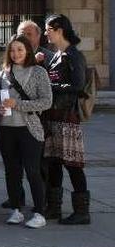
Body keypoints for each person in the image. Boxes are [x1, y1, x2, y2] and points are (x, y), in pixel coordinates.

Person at [0, 34, 52, 229]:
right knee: (12, 172)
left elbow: (46, 101)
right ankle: (16, 209)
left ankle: (39, 212)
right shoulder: (3, 73)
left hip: (29, 129)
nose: (15, 54)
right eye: (12, 50)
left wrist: (18, 104)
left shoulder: (38, 72)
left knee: (32, 170)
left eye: (20, 49)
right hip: (6, 129)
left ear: (28, 50)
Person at [42, 14, 91, 225]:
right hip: (52, 117)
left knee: (72, 164)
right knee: (53, 163)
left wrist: (50, 88)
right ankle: (54, 208)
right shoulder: (55, 55)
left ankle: (82, 212)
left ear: (59, 29)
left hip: (67, 117)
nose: (46, 33)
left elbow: (78, 86)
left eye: (48, 29)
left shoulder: (73, 55)